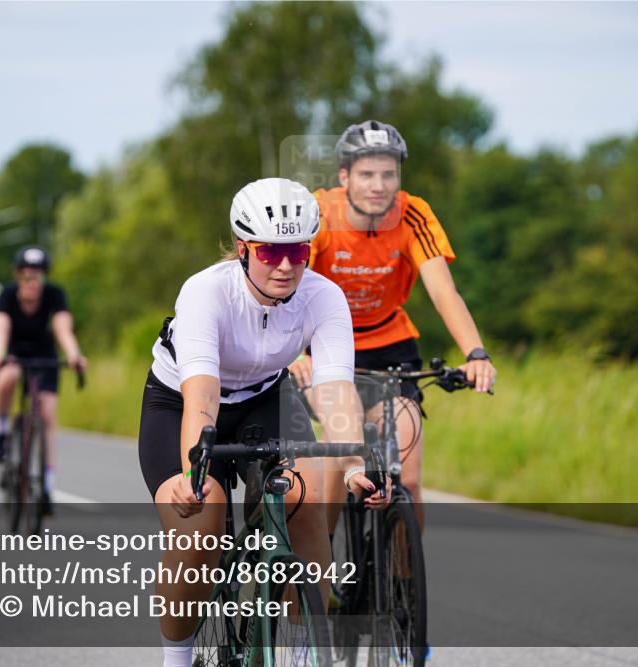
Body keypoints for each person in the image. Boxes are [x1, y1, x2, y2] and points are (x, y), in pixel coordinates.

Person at [138, 178, 383, 667]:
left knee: (304, 501)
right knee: (199, 533)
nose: (287, 265)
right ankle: (177, 660)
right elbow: (201, 396)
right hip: (179, 403)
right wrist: (193, 473)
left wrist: (354, 462)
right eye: (271, 253)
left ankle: (304, 650)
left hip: (264, 400)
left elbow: (334, 389)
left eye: (298, 251)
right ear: (243, 248)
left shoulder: (324, 297)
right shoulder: (207, 292)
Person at [288, 120, 498, 532]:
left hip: (392, 348)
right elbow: (291, 288)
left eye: (389, 174)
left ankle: (403, 585)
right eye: (367, 174)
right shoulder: (320, 213)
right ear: (345, 176)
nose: (378, 185)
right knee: (340, 453)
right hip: (327, 348)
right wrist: (296, 352)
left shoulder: (412, 213)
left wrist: (476, 353)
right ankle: (324, 564)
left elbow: (443, 291)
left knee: (410, 476)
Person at [0, 246, 86, 514]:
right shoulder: (7, 295)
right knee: (8, 377)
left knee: (48, 413)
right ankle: (1, 433)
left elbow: (63, 328)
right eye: (26, 276)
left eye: (38, 277)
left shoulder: (54, 295)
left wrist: (74, 354)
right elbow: (0, 327)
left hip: (44, 354)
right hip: (11, 351)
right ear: (18, 277)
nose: (32, 282)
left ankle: (47, 485)